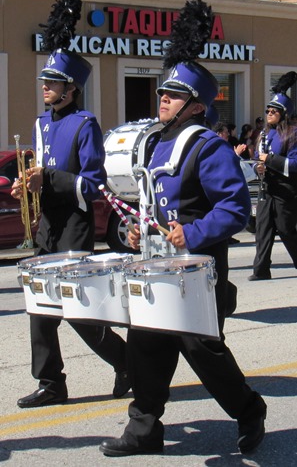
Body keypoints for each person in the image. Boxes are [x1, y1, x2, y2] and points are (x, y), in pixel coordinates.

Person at [99, 60, 267, 457]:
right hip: (157, 266)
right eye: (162, 93)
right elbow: (153, 203)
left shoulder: (207, 146)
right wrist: (142, 226)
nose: (163, 99)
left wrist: (190, 233)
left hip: (197, 269)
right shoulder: (157, 143)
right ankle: (144, 427)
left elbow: (235, 207)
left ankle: (249, 410)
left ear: (195, 106)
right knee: (145, 343)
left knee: (201, 350)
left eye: (173, 95)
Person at [11, 0, 130, 408]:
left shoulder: (86, 124)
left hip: (76, 226)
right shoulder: (42, 123)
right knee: (38, 307)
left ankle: (126, 361)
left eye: (52, 83)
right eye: (44, 82)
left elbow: (93, 186)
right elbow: (42, 174)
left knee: (79, 311)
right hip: (48, 224)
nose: (45, 88)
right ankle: (51, 384)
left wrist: (52, 179)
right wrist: (28, 185)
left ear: (70, 88)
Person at [248, 71, 297, 281]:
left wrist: (269, 160)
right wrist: (258, 168)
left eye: (273, 110)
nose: (268, 113)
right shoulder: (265, 134)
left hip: (286, 189)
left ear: (283, 113)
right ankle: (261, 270)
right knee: (263, 229)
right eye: (267, 110)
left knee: (286, 230)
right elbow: (259, 160)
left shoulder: (293, 133)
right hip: (267, 187)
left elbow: (294, 164)